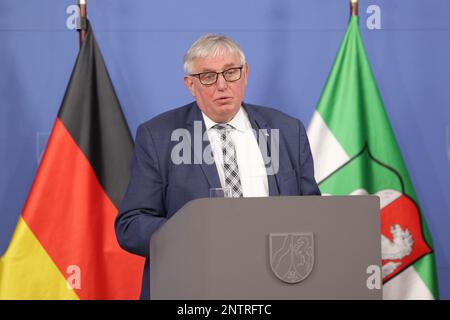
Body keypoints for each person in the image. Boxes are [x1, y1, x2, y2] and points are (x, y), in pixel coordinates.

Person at [115, 34, 321, 299]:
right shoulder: (158, 136)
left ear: (245, 74)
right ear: (190, 84)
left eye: (231, 72)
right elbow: (132, 225)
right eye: (208, 77)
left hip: (275, 285)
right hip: (193, 287)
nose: (222, 85)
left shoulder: (287, 130)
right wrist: (193, 236)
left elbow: (314, 215)